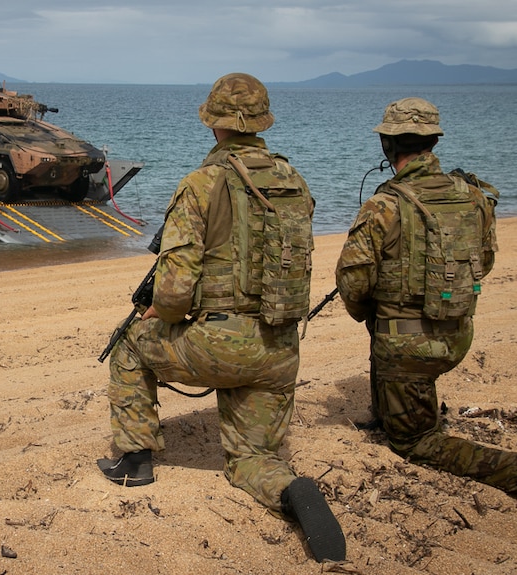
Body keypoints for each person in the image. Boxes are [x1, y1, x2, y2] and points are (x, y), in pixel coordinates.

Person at [98, 73, 346, 563]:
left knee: (128, 343)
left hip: (222, 347)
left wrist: (161, 313)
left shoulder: (202, 183)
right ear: (260, 125)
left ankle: (134, 461)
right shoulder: (293, 180)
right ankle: (290, 490)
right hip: (279, 349)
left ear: (214, 125)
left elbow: (172, 292)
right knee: (252, 460)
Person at [335, 98, 516, 494]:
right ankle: (390, 412)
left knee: (416, 442)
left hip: (407, 351)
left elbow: (352, 285)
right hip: (458, 335)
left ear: (388, 146)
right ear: (432, 142)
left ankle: (508, 469)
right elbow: (482, 264)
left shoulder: (384, 205)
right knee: (392, 333)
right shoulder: (474, 197)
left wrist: (374, 313)